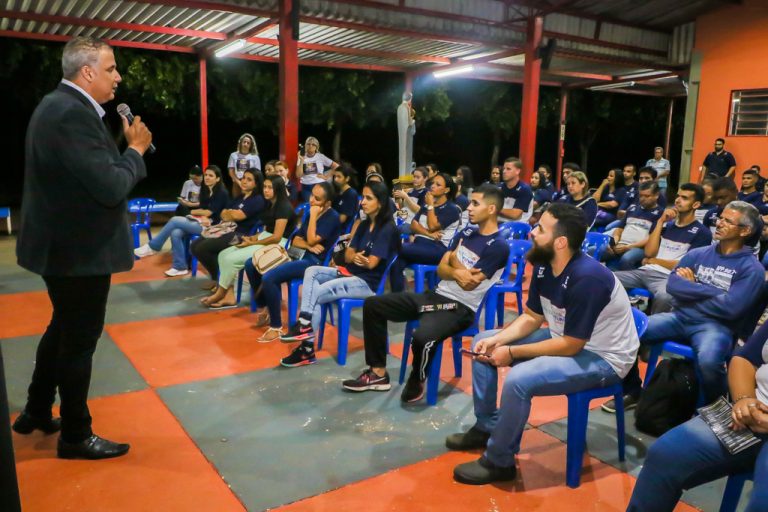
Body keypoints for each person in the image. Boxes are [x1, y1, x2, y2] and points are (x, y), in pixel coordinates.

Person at [14, 36, 152, 460]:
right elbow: (110, 186)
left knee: (62, 328)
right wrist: (135, 150)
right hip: (78, 253)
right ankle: (76, 434)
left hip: (62, 247)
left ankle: (37, 410)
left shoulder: (55, 106)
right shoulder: (72, 114)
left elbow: (88, 175)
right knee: (79, 341)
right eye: (111, 69)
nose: (118, 77)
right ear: (87, 72)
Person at [446, 203, 639, 485]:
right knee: (482, 341)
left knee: (519, 380)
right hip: (565, 338)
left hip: (604, 358)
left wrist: (511, 352)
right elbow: (532, 317)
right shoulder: (543, 265)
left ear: (560, 242)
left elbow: (571, 346)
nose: (532, 232)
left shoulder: (588, 278)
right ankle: (487, 427)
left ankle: (499, 461)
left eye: (540, 229)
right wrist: (498, 340)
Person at [343, 184, 510, 402]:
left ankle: (417, 378)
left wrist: (453, 260)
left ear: (491, 209)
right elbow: (441, 269)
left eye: (475, 204)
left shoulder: (498, 246)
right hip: (436, 295)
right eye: (470, 202)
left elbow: (469, 284)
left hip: (459, 307)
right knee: (374, 305)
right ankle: (378, 373)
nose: (469, 208)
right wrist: (457, 269)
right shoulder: (466, 232)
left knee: (422, 337)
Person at [615, 200, 764, 410]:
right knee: (626, 332)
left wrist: (692, 289)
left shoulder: (752, 268)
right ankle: (632, 390)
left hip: (716, 327)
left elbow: (732, 308)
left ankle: (716, 408)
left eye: (728, 221)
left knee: (709, 362)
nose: (719, 223)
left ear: (745, 231)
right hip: (680, 316)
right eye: (720, 218)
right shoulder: (698, 253)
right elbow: (673, 286)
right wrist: (715, 293)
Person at [625, 319, 768, 512]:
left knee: (763, 503)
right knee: (665, 455)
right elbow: (745, 358)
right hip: (751, 412)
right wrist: (744, 398)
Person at [279, 181, 399, 367]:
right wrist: (354, 257)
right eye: (363, 197)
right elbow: (348, 255)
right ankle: (305, 324)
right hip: (348, 273)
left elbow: (371, 264)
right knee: (311, 271)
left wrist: (359, 258)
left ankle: (306, 348)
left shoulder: (387, 229)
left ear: (381, 202)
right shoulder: (364, 225)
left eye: (368, 198)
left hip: (366, 283)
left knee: (316, 292)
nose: (362, 202)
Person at [246, 182, 341, 342]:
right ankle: (267, 306)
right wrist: (308, 246)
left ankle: (276, 327)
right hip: (298, 254)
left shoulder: (332, 217)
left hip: (314, 263)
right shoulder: (311, 212)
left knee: (269, 277)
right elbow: (296, 240)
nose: (311, 200)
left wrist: (313, 218)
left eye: (317, 199)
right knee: (251, 264)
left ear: (327, 203)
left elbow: (311, 238)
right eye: (312, 195)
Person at [612, 183, 712, 316]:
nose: (678, 200)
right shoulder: (667, 225)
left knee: (665, 297)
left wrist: (653, 261)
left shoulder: (702, 232)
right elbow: (648, 252)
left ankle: (651, 326)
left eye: (684, 198)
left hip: (667, 277)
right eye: (678, 196)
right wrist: (660, 222)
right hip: (645, 271)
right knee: (608, 278)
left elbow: (684, 266)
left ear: (696, 204)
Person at [202, 175, 295, 309]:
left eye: (270, 188)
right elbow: (267, 231)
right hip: (265, 239)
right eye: (265, 187)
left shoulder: (283, 207)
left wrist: (252, 243)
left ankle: (220, 293)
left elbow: (276, 237)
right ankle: (229, 296)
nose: (266, 190)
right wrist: (252, 238)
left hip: (278, 245)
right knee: (223, 254)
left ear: (278, 189)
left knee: (230, 259)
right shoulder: (270, 204)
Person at [134, 165, 229, 277]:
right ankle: (180, 266)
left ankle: (153, 246)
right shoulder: (205, 190)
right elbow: (204, 209)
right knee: (176, 232)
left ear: (217, 179)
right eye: (206, 175)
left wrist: (193, 212)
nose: (207, 177)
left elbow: (208, 212)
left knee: (174, 220)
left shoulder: (222, 192)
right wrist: (201, 214)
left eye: (211, 176)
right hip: (202, 222)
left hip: (214, 227)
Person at [190, 169, 266, 286]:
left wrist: (231, 213)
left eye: (249, 179)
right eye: (243, 178)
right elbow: (223, 213)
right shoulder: (240, 197)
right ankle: (217, 277)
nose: (244, 181)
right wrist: (231, 213)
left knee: (202, 248)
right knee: (194, 246)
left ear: (256, 184)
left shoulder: (257, 199)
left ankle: (219, 280)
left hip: (241, 235)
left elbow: (238, 216)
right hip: (226, 229)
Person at [389, 173, 462, 293]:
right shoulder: (426, 205)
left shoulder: (451, 209)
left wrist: (431, 206)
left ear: (446, 190)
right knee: (396, 262)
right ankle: (399, 298)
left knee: (394, 247)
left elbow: (432, 226)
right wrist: (429, 234)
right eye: (433, 183)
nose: (432, 186)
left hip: (437, 249)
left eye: (438, 184)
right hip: (418, 245)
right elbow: (413, 225)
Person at [604, 182, 663, 271]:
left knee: (626, 259)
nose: (642, 199)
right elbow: (619, 229)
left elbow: (651, 238)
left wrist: (628, 247)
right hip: (621, 244)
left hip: (640, 248)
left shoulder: (660, 214)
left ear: (656, 195)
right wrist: (615, 241)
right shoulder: (632, 208)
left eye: (647, 196)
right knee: (596, 250)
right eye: (641, 196)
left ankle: (627, 278)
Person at [296, 136, 338, 202]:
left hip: (319, 185)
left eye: (313, 144)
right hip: (306, 186)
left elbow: (336, 166)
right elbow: (298, 175)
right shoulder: (301, 156)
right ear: (305, 145)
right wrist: (301, 160)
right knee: (309, 205)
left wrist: (326, 176)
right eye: (308, 144)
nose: (310, 146)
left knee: (320, 205)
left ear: (316, 147)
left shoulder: (320, 156)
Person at [393, 166, 428, 234]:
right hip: (402, 215)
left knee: (399, 229)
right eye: (414, 177)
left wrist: (406, 197)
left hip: (412, 220)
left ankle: (405, 238)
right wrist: (398, 197)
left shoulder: (426, 192)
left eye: (418, 177)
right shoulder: (410, 191)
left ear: (425, 178)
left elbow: (419, 210)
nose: (415, 179)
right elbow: (402, 207)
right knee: (387, 225)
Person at [498, 157, 533, 223]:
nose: (504, 171)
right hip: (499, 223)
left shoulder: (525, 189)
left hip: (517, 225)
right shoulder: (498, 187)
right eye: (504, 169)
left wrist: (494, 209)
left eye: (508, 169)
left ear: (517, 171)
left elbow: (515, 215)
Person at [227, 133, 261, 197]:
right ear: (240, 143)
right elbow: (231, 171)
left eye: (248, 143)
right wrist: (239, 182)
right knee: (236, 201)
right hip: (237, 182)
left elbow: (257, 172)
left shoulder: (255, 157)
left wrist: (250, 183)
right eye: (244, 142)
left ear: (251, 145)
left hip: (250, 183)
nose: (246, 144)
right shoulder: (233, 155)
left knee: (249, 200)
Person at [331, 164, 359, 230]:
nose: (335, 179)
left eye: (339, 177)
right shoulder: (337, 191)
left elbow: (342, 219)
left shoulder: (351, 194)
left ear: (347, 179)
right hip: (332, 225)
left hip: (340, 230)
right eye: (335, 176)